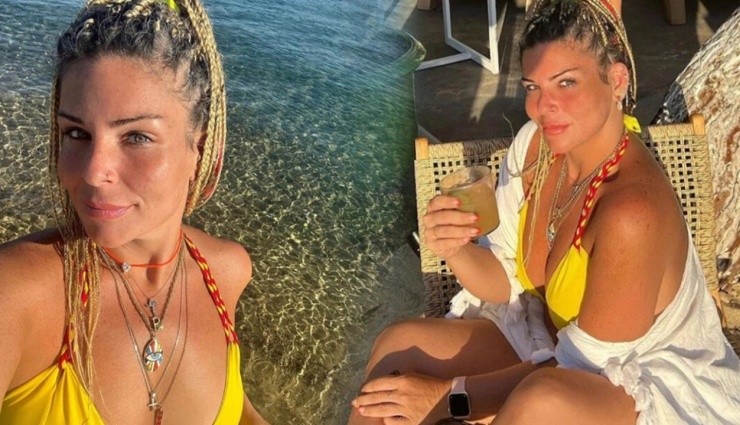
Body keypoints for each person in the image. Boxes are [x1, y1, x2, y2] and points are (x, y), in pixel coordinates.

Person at [350, 0, 740, 424]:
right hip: (545, 346)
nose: (543, 106)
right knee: (397, 349)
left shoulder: (632, 213)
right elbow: (505, 282)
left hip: (635, 379)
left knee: (538, 403)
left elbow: (579, 368)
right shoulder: (534, 149)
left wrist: (447, 396)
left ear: (616, 80)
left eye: (566, 83)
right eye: (533, 87)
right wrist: (456, 249)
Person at [0, 0, 268, 423]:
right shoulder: (18, 294)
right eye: (76, 133)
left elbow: (240, 411)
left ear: (199, 147)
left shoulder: (226, 271)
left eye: (136, 137)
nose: (93, 172)